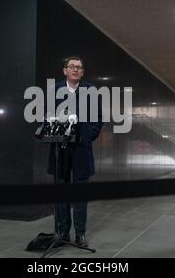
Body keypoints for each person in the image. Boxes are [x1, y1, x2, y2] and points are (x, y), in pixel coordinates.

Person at [47, 56, 103, 247]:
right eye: (72, 67)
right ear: (65, 70)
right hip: (60, 150)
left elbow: (98, 118)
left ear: (83, 72)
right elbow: (45, 115)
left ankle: (80, 234)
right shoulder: (53, 90)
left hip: (81, 149)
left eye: (79, 67)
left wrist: (88, 136)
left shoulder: (91, 90)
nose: (75, 70)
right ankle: (63, 232)